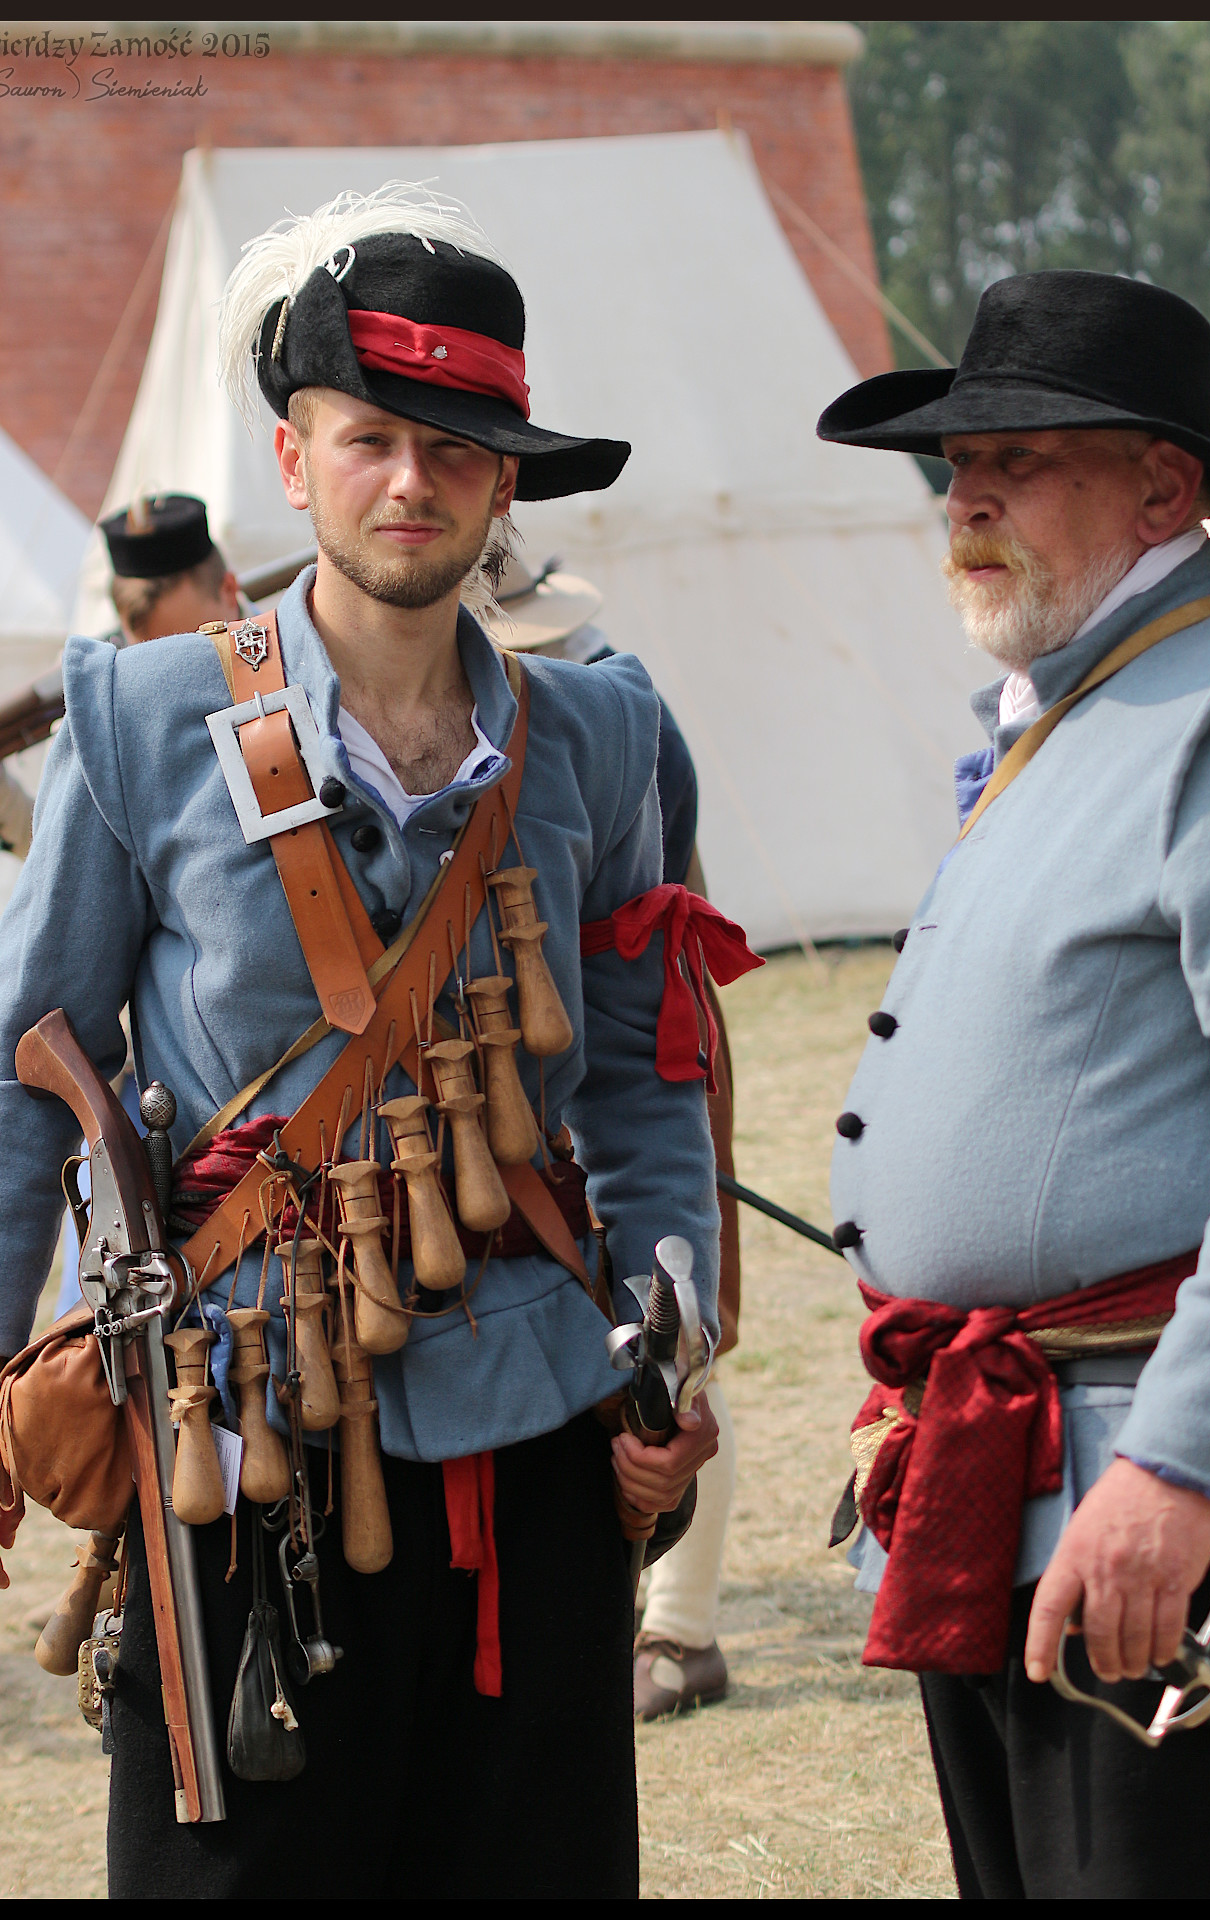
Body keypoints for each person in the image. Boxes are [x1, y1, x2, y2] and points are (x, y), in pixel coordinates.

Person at [0, 185, 742, 1898]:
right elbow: (23, 1060)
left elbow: (648, 1076)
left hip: (538, 1422)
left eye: (453, 451)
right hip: (244, 1435)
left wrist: (669, 1346)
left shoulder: (602, 734)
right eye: (368, 439)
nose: (408, 482)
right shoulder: (142, 717)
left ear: (502, 484)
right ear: (295, 464)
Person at [815, 271, 1210, 1899]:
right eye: (955, 466)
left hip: (1151, 1502)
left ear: (1161, 486)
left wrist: (1179, 1466)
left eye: (1018, 460)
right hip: (1005, 1468)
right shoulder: (1068, 704)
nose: (966, 499)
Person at [485, 558, 741, 1719]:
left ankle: (679, 1625)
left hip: (648, 1029)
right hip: (521, 1094)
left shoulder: (613, 720)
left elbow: (662, 906)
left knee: (677, 1329)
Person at [0, 494, 243, 859]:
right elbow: (64, 858)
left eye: (188, 647)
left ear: (228, 591)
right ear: (124, 626)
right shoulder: (101, 693)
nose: (168, 671)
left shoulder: (288, 648)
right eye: (150, 653)